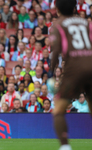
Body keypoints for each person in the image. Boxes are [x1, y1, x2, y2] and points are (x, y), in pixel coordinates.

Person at [51, 0, 92, 150]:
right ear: (75, 7)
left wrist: (51, 71)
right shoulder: (85, 23)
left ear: (57, 9)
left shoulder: (59, 23)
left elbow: (55, 52)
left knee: (59, 110)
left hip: (73, 71)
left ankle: (65, 147)